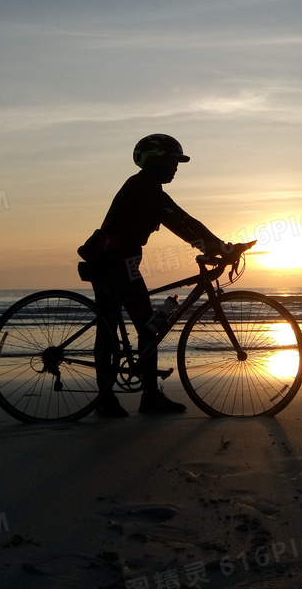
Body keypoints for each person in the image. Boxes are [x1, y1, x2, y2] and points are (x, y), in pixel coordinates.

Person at [77, 134, 234, 416]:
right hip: (111, 261)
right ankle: (111, 398)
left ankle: (144, 397)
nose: (176, 167)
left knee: (143, 326)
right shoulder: (142, 187)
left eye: (177, 162)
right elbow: (175, 221)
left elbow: (183, 217)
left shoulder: (150, 187)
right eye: (172, 160)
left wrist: (219, 245)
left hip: (122, 260)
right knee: (121, 326)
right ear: (154, 160)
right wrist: (212, 246)